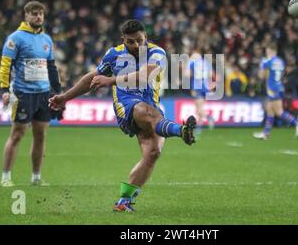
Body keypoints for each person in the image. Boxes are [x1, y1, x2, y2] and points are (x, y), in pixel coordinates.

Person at [48, 19, 197, 212]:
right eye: (130, 41)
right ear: (123, 40)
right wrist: (65, 97)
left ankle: (123, 202)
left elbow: (144, 77)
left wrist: (110, 79)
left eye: (139, 40)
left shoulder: (156, 53)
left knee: (153, 153)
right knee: (143, 110)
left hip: (152, 106)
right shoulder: (113, 54)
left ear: (146, 38)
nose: (136, 45)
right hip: (126, 106)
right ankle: (181, 130)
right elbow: (91, 79)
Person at [0, 0, 63, 187]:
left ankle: (36, 177)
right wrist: (4, 89)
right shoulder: (15, 38)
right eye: (34, 13)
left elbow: (51, 67)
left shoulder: (47, 40)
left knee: (41, 135)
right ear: (26, 15)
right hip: (23, 94)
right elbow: (5, 64)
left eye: (41, 14)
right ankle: (6, 176)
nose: (38, 17)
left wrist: (58, 91)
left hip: (43, 94)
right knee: (17, 134)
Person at [253, 42, 298, 140]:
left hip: (272, 88)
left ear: (271, 51)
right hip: (279, 87)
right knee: (270, 110)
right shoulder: (280, 61)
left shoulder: (267, 61)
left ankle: (297, 123)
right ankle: (266, 133)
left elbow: (261, 76)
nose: (266, 52)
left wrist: (261, 65)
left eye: (267, 50)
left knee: (279, 112)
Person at [184, 48, 215, 136]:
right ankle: (199, 128)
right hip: (205, 87)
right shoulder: (206, 62)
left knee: (198, 109)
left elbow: (187, 74)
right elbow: (211, 74)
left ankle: (209, 117)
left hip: (197, 87)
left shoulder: (192, 62)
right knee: (199, 108)